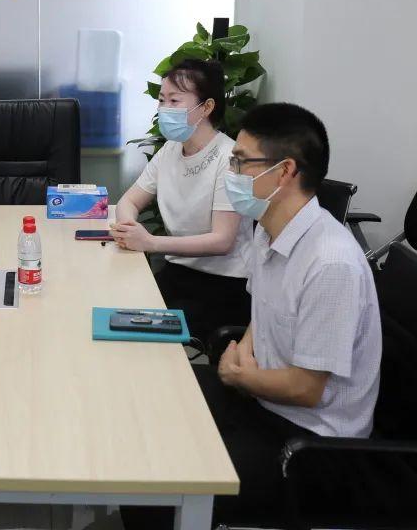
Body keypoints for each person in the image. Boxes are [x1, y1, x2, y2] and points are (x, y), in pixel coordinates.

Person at [121, 102, 382, 529]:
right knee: (147, 403)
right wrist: (241, 354)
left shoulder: (331, 264)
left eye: (241, 162)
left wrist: (237, 374)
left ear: (284, 172)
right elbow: (261, 317)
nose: (231, 172)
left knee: (157, 480)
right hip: (263, 401)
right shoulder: (269, 231)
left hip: (312, 446)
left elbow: (306, 389)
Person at [111, 59, 253, 340]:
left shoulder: (231, 158)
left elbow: (222, 240)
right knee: (118, 307)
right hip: (178, 271)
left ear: (207, 107)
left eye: (174, 101)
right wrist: (129, 229)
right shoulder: (170, 150)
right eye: (162, 100)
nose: (164, 109)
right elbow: (129, 202)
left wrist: (150, 242)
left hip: (224, 283)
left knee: (136, 332)